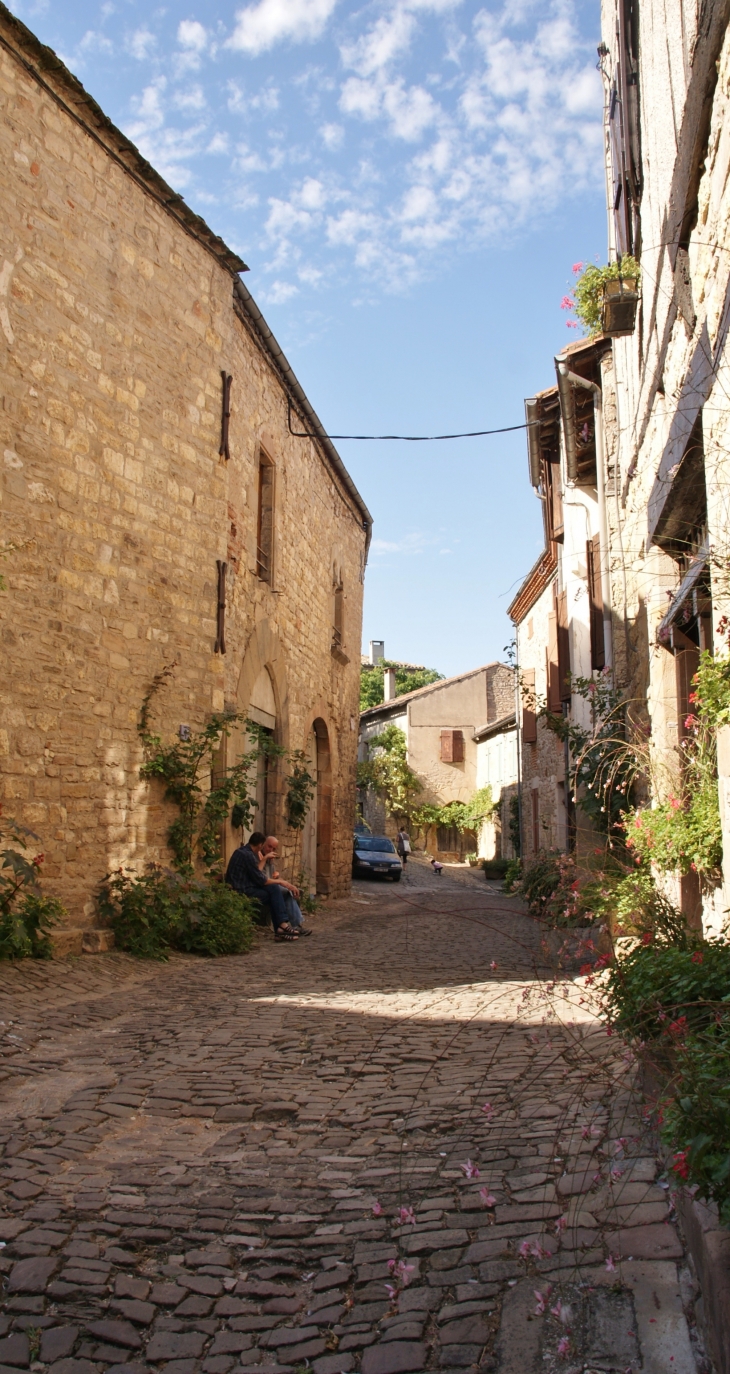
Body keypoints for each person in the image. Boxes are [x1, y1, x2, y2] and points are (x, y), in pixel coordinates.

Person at [225, 831, 301, 941]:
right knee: (274, 891)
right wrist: (281, 882)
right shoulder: (248, 855)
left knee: (273, 891)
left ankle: (281, 929)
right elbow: (261, 880)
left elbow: (257, 876)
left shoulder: (241, 851)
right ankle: (281, 927)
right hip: (241, 891)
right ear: (260, 845)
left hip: (244, 887)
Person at [260, 835, 312, 936]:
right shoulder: (259, 857)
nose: (271, 850)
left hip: (271, 887)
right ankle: (286, 926)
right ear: (263, 845)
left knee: (288, 892)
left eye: (274, 848)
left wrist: (288, 885)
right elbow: (262, 879)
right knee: (285, 892)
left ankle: (295, 925)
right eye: (269, 847)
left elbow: (273, 877)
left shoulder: (270, 859)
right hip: (263, 888)